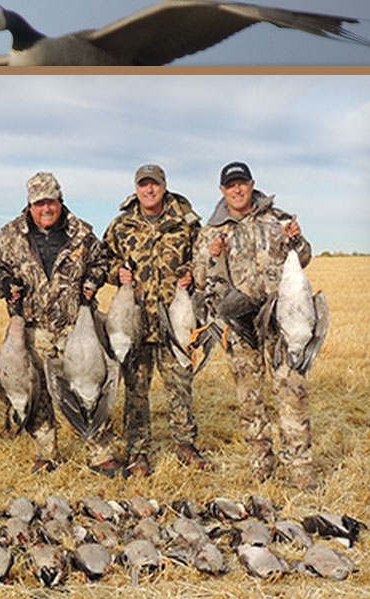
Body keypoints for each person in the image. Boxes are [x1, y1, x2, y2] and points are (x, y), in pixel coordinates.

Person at [0, 171, 118, 476]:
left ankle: (101, 453)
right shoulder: (9, 235)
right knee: (36, 392)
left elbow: (101, 262)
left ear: (61, 201)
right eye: (39, 203)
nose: (46, 208)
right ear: (29, 204)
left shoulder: (82, 232)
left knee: (90, 387)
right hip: (32, 327)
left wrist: (93, 279)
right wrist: (6, 284)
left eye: (52, 202)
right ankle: (46, 452)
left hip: (75, 328)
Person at [191, 161, 316, 488]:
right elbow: (201, 278)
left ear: (251, 184)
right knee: (250, 398)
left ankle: (300, 470)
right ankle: (262, 466)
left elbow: (302, 258)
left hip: (280, 319)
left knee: (292, 391)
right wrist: (213, 255)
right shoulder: (211, 231)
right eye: (230, 185)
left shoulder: (277, 219)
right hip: (239, 322)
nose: (237, 190)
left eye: (242, 183)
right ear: (222, 190)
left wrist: (297, 240)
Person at [101, 164, 208, 477]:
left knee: (180, 386)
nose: (149, 190)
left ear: (164, 186)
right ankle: (138, 452)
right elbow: (102, 259)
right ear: (136, 188)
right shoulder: (121, 225)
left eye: (154, 184)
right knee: (135, 391)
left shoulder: (186, 223)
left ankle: (185, 444)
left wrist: (192, 275)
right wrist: (114, 273)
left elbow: (203, 260)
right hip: (135, 321)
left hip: (175, 320)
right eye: (143, 185)